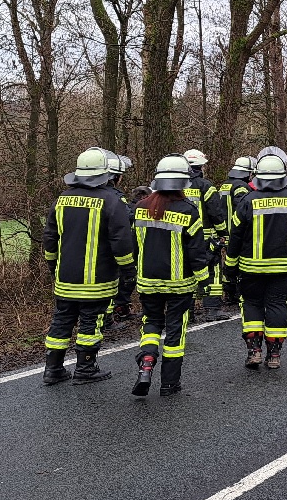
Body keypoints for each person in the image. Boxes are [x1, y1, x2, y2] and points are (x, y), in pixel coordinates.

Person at [41, 147, 135, 385]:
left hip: (65, 277)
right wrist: (128, 272)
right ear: (107, 175)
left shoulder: (61, 200)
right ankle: (85, 368)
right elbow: (121, 243)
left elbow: (50, 239)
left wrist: (53, 267)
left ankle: (52, 369)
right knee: (91, 322)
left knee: (61, 319)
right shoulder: (111, 202)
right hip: (97, 279)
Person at [129, 156, 211, 397]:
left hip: (147, 281)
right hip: (179, 284)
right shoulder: (188, 211)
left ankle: (146, 362)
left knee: (151, 323)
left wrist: (132, 273)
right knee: (175, 329)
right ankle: (169, 383)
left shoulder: (141, 208)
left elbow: (133, 246)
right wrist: (204, 280)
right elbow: (196, 252)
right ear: (183, 183)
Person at [224, 153, 287, 370]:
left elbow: (235, 237)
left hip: (251, 268)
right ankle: (274, 354)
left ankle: (254, 350)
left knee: (252, 304)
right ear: (283, 176)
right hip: (286, 267)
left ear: (258, 177)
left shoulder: (247, 201)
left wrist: (230, 268)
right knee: (277, 304)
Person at [183, 148, 226, 317]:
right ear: (201, 167)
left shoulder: (176, 185)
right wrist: (223, 233)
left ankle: (189, 312)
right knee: (213, 271)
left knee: (188, 272)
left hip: (181, 237)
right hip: (206, 238)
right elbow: (216, 212)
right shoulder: (206, 186)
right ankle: (212, 309)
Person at [218, 156, 257, 304]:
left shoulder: (225, 185)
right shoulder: (241, 186)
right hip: (236, 232)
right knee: (239, 263)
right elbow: (243, 208)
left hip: (225, 231)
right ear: (247, 173)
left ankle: (229, 293)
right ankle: (238, 293)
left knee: (229, 262)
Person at [106, 151, 137, 325]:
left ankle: (113, 314)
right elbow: (126, 217)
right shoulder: (115, 198)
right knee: (114, 280)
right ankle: (108, 320)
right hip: (111, 249)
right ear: (115, 177)